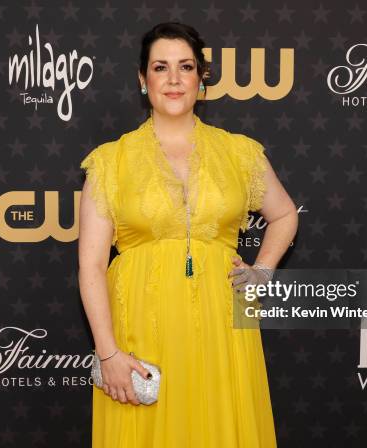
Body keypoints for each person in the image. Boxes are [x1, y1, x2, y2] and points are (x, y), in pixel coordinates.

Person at [78, 22, 298, 448]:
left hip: (224, 332)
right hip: (137, 331)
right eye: (161, 67)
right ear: (143, 80)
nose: (175, 79)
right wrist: (107, 355)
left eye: (186, 66)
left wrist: (263, 269)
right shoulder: (110, 161)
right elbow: (90, 264)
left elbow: (285, 213)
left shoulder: (239, 152)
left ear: (202, 78)